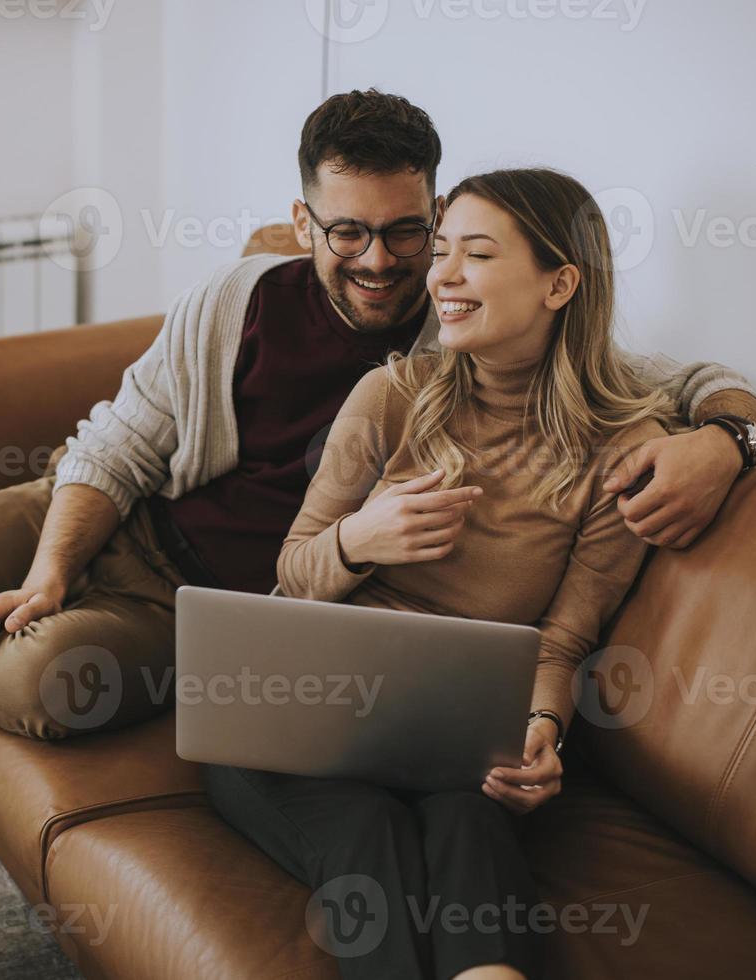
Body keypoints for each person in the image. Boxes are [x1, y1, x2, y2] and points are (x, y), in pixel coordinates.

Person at [0, 89, 756, 855]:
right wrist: (48, 571)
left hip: (206, 607)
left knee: (46, 683)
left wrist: (727, 444)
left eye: (406, 230)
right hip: (104, 512)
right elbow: (121, 439)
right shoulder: (237, 301)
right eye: (348, 231)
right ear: (303, 223)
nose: (381, 261)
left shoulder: (470, 323)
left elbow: (685, 381)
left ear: (435, 215)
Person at [206, 167, 678, 980]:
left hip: (451, 741)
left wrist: (544, 732)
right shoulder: (390, 395)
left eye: (478, 255)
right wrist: (361, 538)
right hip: (299, 716)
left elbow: (564, 640)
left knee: (472, 819)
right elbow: (295, 571)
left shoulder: (621, 450)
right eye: (444, 251)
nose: (443, 277)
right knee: (368, 835)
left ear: (559, 283)